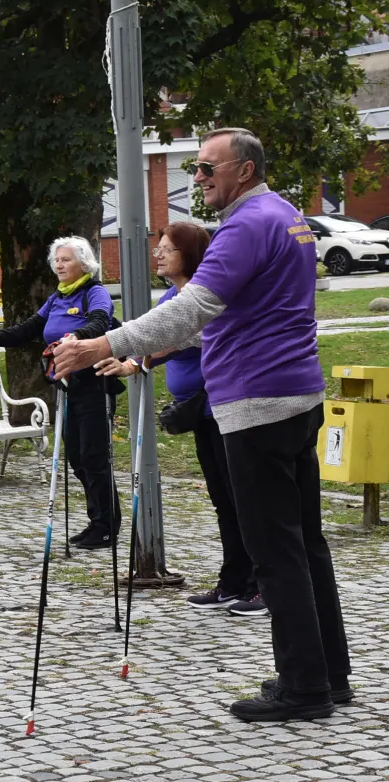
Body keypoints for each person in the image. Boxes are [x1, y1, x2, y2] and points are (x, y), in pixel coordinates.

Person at [52, 127, 351, 723]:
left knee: (275, 549)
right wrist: (141, 353)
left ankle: (303, 688)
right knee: (306, 541)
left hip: (258, 400)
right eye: (195, 168)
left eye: (208, 167)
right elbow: (225, 313)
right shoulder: (287, 215)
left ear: (244, 169)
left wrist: (101, 343)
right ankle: (328, 673)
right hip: (295, 393)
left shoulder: (246, 224)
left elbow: (193, 307)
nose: (199, 178)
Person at [96, 222, 263, 617]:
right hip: (200, 414)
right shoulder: (173, 295)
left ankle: (261, 585)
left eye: (168, 249)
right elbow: (154, 337)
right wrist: (128, 361)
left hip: (226, 408)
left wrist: (132, 355)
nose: (159, 254)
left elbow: (191, 337)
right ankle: (233, 580)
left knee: (245, 500)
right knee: (223, 500)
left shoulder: (205, 294)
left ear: (188, 254)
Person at [0, 236, 120, 549]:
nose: (59, 265)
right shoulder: (57, 299)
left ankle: (107, 527)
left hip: (95, 384)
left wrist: (76, 336)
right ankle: (97, 521)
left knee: (95, 457)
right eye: (57, 260)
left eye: (66, 259)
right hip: (67, 387)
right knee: (77, 458)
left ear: (84, 263)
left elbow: (100, 321)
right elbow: (29, 328)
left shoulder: (95, 292)